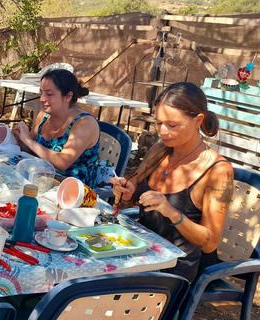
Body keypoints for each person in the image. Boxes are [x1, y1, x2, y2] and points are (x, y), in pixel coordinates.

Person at [110, 82, 233, 282]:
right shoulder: (159, 151)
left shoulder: (217, 171)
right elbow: (130, 201)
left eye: (172, 125)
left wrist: (172, 212)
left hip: (174, 267)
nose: (163, 131)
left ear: (198, 120)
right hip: (140, 250)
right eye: (159, 123)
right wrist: (125, 193)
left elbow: (210, 243)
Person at [12, 69, 100, 188]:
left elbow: (63, 162)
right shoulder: (44, 115)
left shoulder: (84, 123)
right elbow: (30, 150)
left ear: (68, 96)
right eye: (41, 93)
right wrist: (21, 138)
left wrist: (28, 140)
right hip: (39, 180)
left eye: (49, 94)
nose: (42, 99)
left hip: (71, 190)